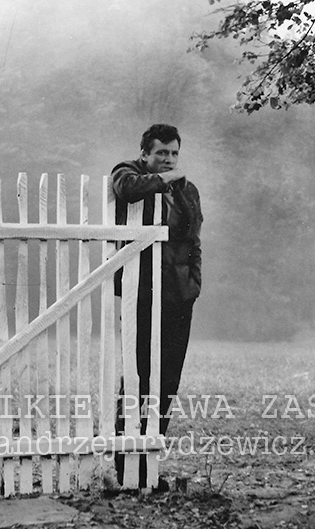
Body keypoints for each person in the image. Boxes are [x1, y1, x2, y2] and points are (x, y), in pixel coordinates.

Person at [112, 124, 202, 486]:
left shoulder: (187, 189)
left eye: (174, 153)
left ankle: (147, 461)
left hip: (179, 296)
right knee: (137, 377)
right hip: (142, 293)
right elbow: (125, 188)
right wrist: (165, 180)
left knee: (168, 380)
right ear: (144, 154)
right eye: (161, 153)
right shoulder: (128, 173)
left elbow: (194, 237)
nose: (168, 160)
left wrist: (194, 283)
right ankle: (125, 466)